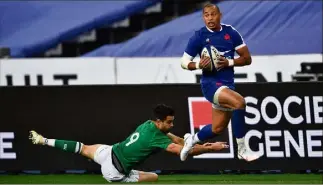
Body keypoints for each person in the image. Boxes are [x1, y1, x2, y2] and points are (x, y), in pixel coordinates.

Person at [29, 104, 229, 183]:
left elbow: (178, 141)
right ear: (159, 122)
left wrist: (206, 145)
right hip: (115, 172)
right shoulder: (156, 137)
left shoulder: (149, 125)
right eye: (169, 121)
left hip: (109, 152)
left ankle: (43, 140)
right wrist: (212, 149)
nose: (172, 124)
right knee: (154, 178)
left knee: (81, 147)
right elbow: (184, 153)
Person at [180, 3, 260, 162]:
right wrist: (197, 65)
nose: (210, 18)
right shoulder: (199, 36)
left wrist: (228, 62)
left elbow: (247, 59)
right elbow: (184, 62)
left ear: (220, 15)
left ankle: (192, 139)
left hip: (227, 84)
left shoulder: (231, 33)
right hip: (210, 84)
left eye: (213, 14)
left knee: (217, 128)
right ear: (203, 17)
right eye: (206, 15)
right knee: (239, 102)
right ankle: (242, 150)